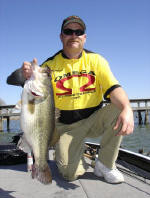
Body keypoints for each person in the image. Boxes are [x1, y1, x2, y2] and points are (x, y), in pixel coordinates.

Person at [7, 15, 134, 183]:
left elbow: (114, 88)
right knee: (69, 174)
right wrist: (24, 75)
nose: (73, 35)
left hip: (92, 120)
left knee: (120, 109)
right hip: (65, 127)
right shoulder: (49, 66)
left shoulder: (97, 61)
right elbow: (12, 80)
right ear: (61, 36)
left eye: (78, 31)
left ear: (84, 37)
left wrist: (127, 107)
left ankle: (105, 164)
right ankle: (75, 151)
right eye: (68, 31)